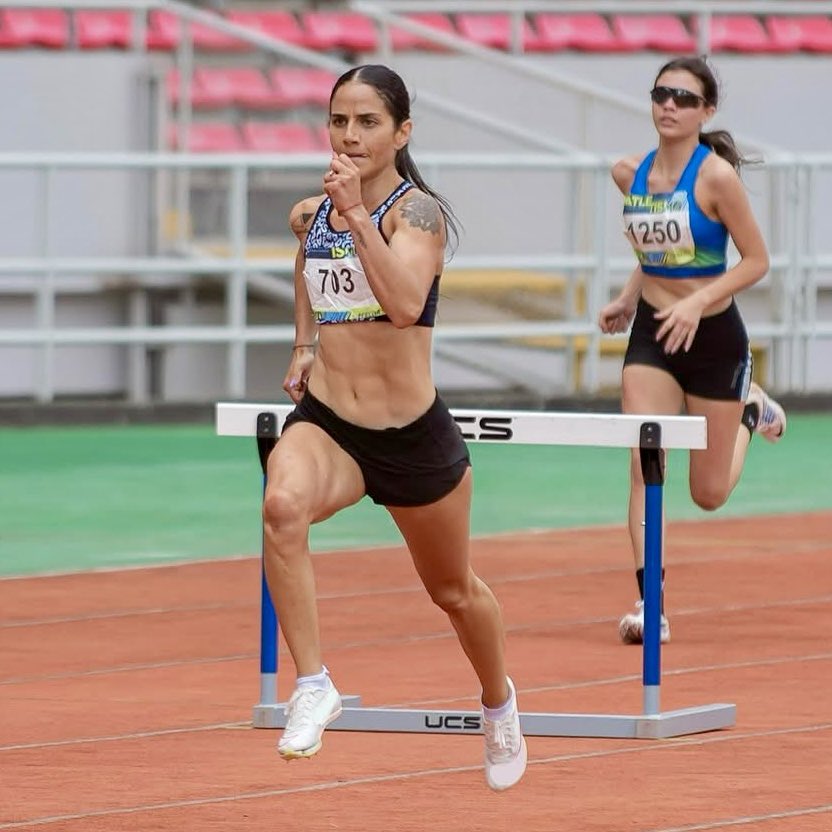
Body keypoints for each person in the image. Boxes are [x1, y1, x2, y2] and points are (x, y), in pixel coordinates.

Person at [261, 64, 527, 791]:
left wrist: (351, 215)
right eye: (339, 120)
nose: (350, 135)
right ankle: (312, 682)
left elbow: (406, 302)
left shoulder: (418, 218)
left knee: (452, 592)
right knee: (281, 506)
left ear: (402, 132)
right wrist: (304, 343)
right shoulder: (313, 213)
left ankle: (498, 701)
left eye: (368, 122)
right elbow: (307, 260)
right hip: (331, 424)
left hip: (410, 436)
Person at [598, 56, 787, 646]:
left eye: (684, 97)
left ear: (705, 111)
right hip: (655, 334)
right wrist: (632, 296)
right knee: (643, 464)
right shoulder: (628, 173)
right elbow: (654, 247)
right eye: (661, 94)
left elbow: (756, 262)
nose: (670, 105)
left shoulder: (716, 180)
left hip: (712, 337)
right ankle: (649, 602)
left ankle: (748, 413)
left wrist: (696, 302)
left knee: (707, 495)